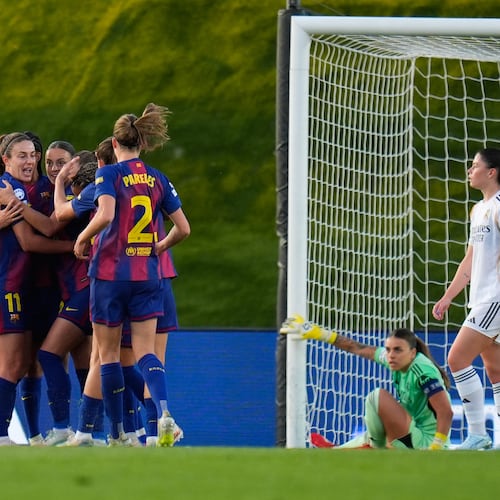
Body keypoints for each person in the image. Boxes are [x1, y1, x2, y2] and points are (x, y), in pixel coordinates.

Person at [74, 104, 190, 447]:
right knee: (145, 351)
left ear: (114, 143)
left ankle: (115, 434)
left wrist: (82, 237)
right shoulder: (157, 177)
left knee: (107, 355)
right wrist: (159, 246)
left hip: (110, 274)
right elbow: (183, 228)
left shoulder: (108, 174)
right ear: (142, 143)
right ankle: (164, 413)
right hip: (146, 275)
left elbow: (106, 214)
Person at [280, 314, 454, 450]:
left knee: (376, 397)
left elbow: (446, 412)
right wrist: (319, 333)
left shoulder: (423, 371)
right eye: (388, 349)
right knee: (342, 448)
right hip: (410, 432)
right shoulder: (395, 359)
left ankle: (375, 448)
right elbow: (357, 347)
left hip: (426, 441)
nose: (391, 355)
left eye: (397, 350)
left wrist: (436, 448)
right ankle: (356, 447)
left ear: (413, 353)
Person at [0, 132, 74, 446]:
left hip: (41, 288)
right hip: (11, 285)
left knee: (35, 365)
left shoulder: (43, 187)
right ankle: (2, 435)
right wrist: (76, 246)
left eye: (33, 155)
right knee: (14, 363)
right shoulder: (6, 188)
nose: (30, 161)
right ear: (6, 160)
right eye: (22, 156)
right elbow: (29, 242)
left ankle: (34, 435)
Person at [432, 147, 500, 450]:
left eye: (474, 166)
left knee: (456, 359)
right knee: (495, 369)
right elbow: (470, 260)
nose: (469, 171)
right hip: (482, 298)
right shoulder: (478, 209)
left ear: (492, 172)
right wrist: (447, 297)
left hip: (494, 299)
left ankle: (477, 435)